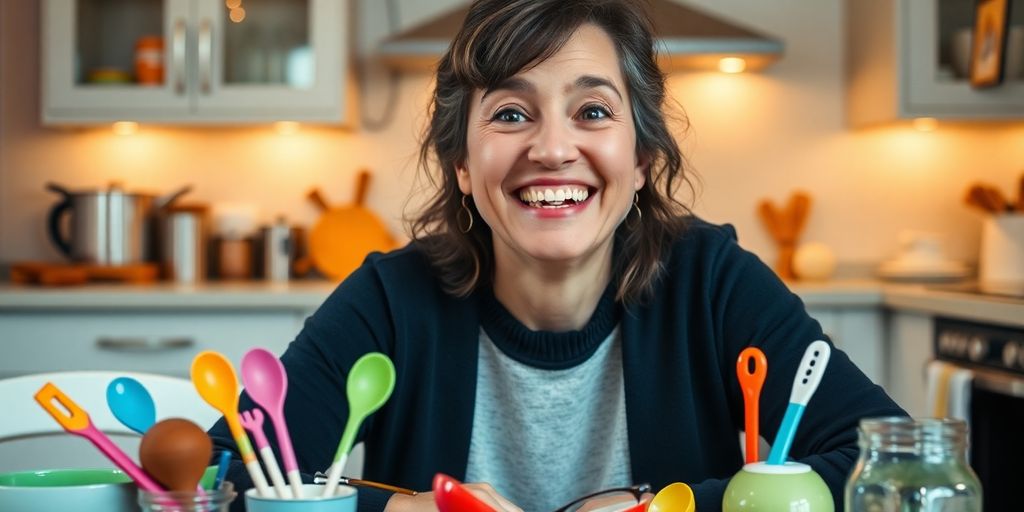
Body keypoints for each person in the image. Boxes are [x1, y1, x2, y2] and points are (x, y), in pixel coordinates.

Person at [209, 0, 905, 510]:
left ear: (640, 159)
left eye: (593, 112)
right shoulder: (391, 301)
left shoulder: (712, 281)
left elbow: (893, 470)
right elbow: (220, 480)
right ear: (460, 161)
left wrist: (659, 507)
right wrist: (401, 510)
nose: (550, 148)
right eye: (511, 113)